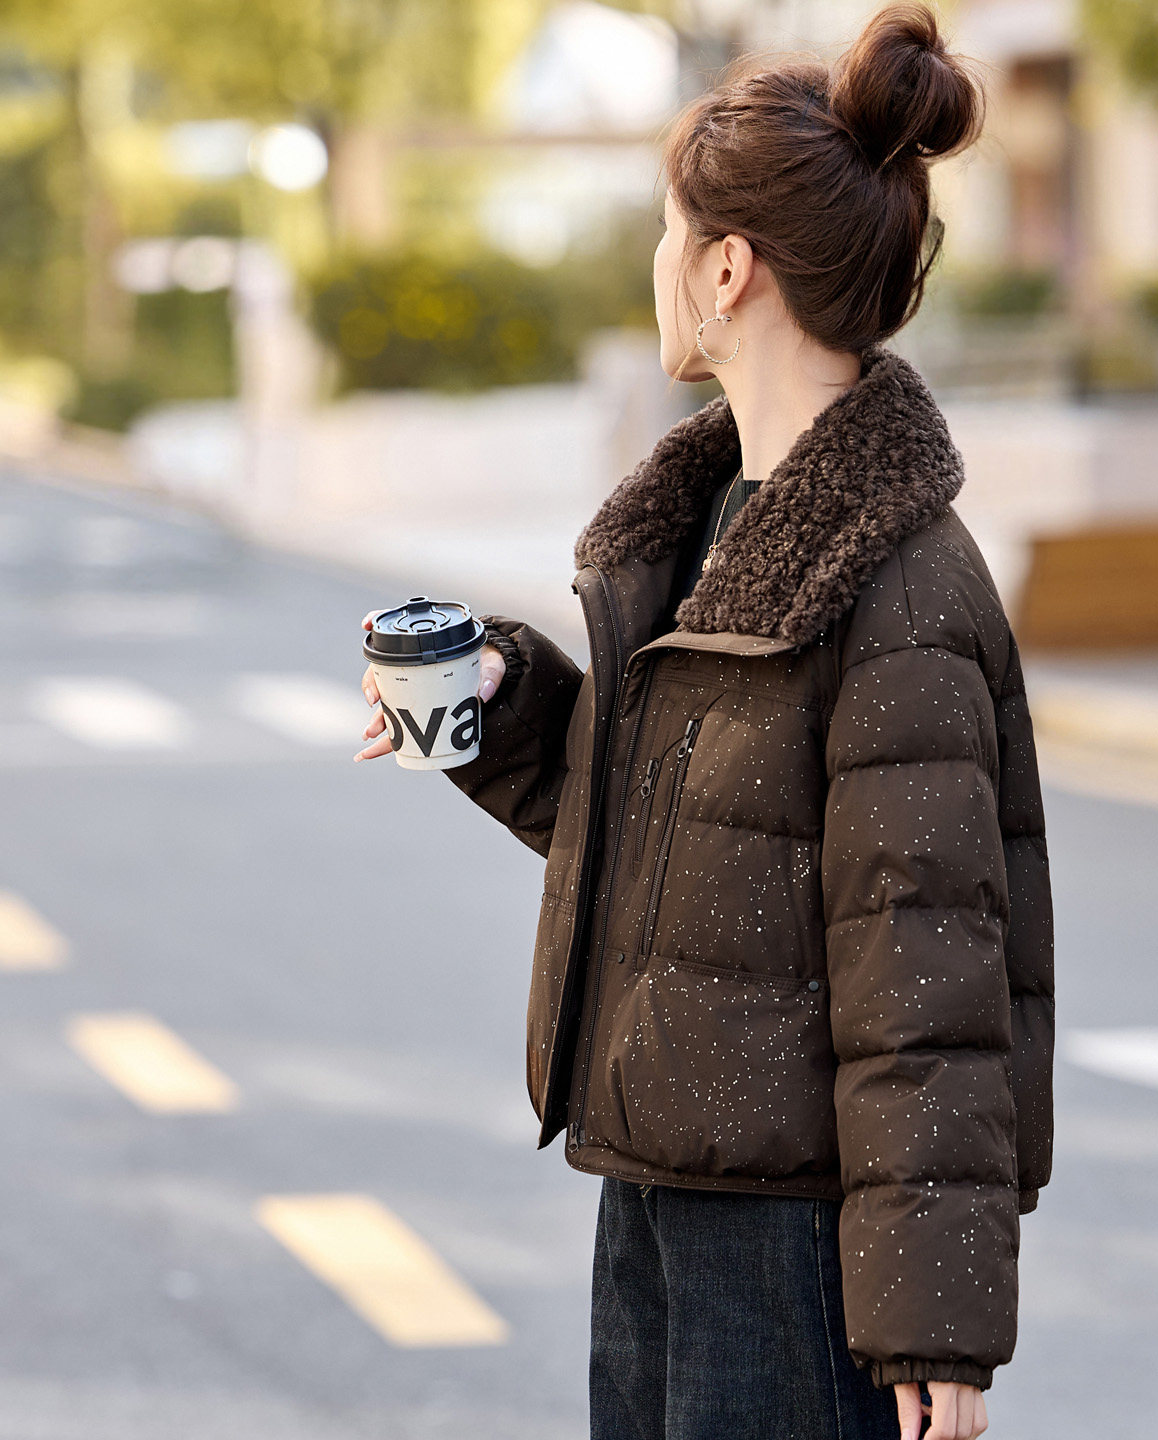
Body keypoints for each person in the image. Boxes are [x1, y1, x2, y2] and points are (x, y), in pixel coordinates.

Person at [357, 6, 1053, 1437]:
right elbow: (693, 850)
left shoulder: (899, 582)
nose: (659, 266)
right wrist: (500, 708)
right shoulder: (709, 528)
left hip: (790, 1251)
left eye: (670, 235)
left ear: (728, 269)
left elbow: (927, 975)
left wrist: (935, 1318)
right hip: (660, 1198)